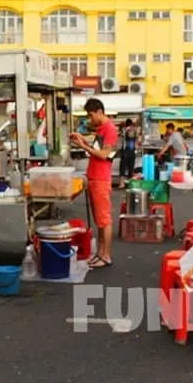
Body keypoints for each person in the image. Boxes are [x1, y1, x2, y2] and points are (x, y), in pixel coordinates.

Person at [70, 98, 118, 269]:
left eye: (91, 115)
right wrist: (83, 142)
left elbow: (104, 154)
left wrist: (84, 146)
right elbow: (97, 150)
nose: (90, 120)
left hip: (100, 178)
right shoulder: (102, 129)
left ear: (99, 111)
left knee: (104, 220)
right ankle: (100, 253)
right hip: (95, 176)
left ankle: (106, 256)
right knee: (100, 219)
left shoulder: (110, 129)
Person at [118, 118, 138, 189]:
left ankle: (122, 184)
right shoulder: (135, 130)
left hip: (125, 151)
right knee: (131, 168)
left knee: (122, 168)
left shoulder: (124, 130)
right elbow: (136, 141)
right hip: (133, 152)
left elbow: (121, 140)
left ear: (126, 124)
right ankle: (130, 185)